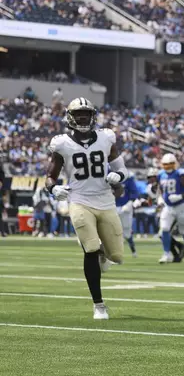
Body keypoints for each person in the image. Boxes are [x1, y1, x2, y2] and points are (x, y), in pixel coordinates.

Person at [46, 97, 129, 320]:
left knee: (117, 256)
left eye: (86, 114)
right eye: (78, 114)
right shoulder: (61, 143)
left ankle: (104, 253)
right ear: (70, 117)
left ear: (93, 116)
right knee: (90, 248)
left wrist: (118, 175)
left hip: (105, 200)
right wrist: (53, 189)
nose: (83, 118)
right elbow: (50, 177)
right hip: (79, 200)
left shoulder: (106, 137)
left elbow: (123, 169)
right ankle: (99, 305)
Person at [156, 153, 184, 264]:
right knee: (165, 228)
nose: (168, 167)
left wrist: (181, 196)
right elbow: (160, 188)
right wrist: (160, 198)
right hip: (168, 206)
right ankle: (166, 254)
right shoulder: (160, 174)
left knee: (183, 231)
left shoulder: (180, 174)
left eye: (170, 164)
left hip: (181, 205)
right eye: (166, 165)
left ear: (174, 164)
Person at [116, 172, 139, 258]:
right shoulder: (108, 174)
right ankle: (115, 254)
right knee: (113, 231)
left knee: (127, 232)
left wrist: (130, 202)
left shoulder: (128, 177)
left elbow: (135, 193)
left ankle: (133, 250)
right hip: (113, 205)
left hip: (125, 206)